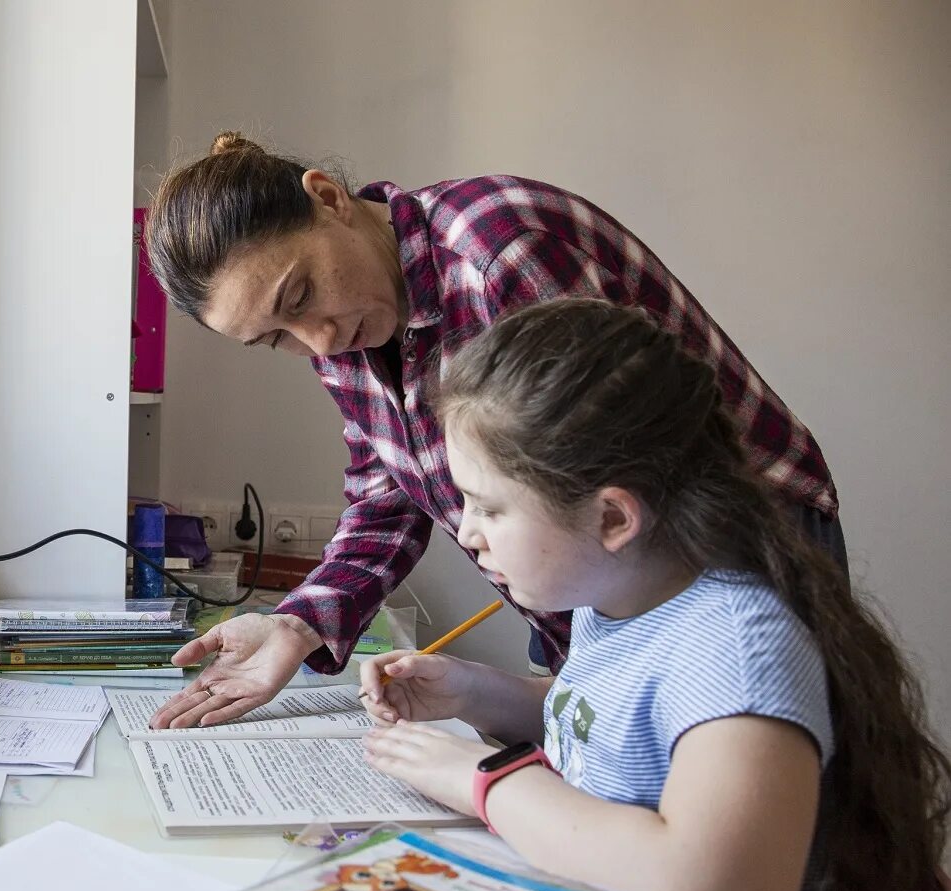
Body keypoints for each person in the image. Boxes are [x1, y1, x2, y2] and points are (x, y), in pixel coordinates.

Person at [145, 132, 842, 731]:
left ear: (328, 198)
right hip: (594, 585)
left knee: (759, 842)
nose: (317, 339)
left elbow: (622, 478)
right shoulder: (345, 335)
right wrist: (295, 626)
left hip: (724, 548)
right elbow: (386, 497)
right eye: (276, 339)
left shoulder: (498, 252)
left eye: (299, 297)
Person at [359, 298, 949, 891]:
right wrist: (478, 693)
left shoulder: (735, 647)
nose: (469, 530)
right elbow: (626, 727)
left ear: (612, 516)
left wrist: (484, 785)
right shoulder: (623, 599)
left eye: (490, 506)